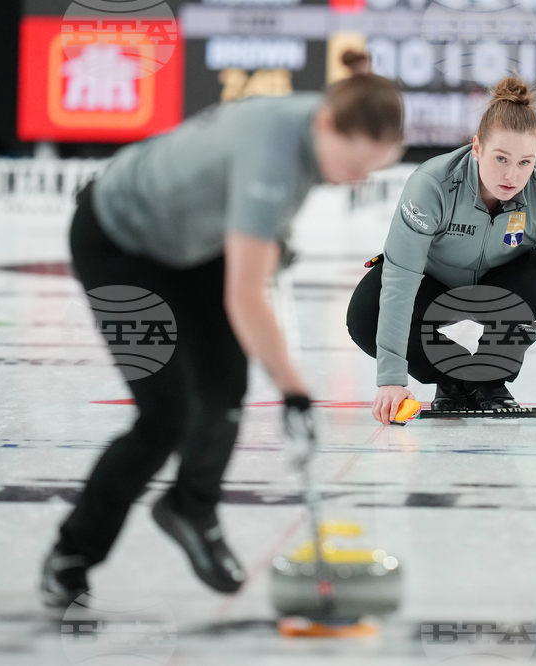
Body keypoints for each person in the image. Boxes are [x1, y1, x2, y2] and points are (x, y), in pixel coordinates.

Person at [40, 52, 404, 607]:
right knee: (165, 417)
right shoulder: (274, 154)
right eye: (355, 164)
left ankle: (191, 507)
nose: (359, 178)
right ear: (326, 123)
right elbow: (245, 295)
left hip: (192, 245)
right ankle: (72, 553)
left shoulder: (325, 120)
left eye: (372, 169)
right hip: (119, 242)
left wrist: (273, 238)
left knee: (225, 392)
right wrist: (294, 391)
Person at [347, 77, 536, 425]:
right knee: (364, 315)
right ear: (476, 147)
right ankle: (450, 379)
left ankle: (487, 378)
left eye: (525, 162)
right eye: (501, 158)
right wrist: (391, 379)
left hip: (499, 294)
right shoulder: (432, 185)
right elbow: (401, 280)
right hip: (431, 294)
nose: (512, 175)